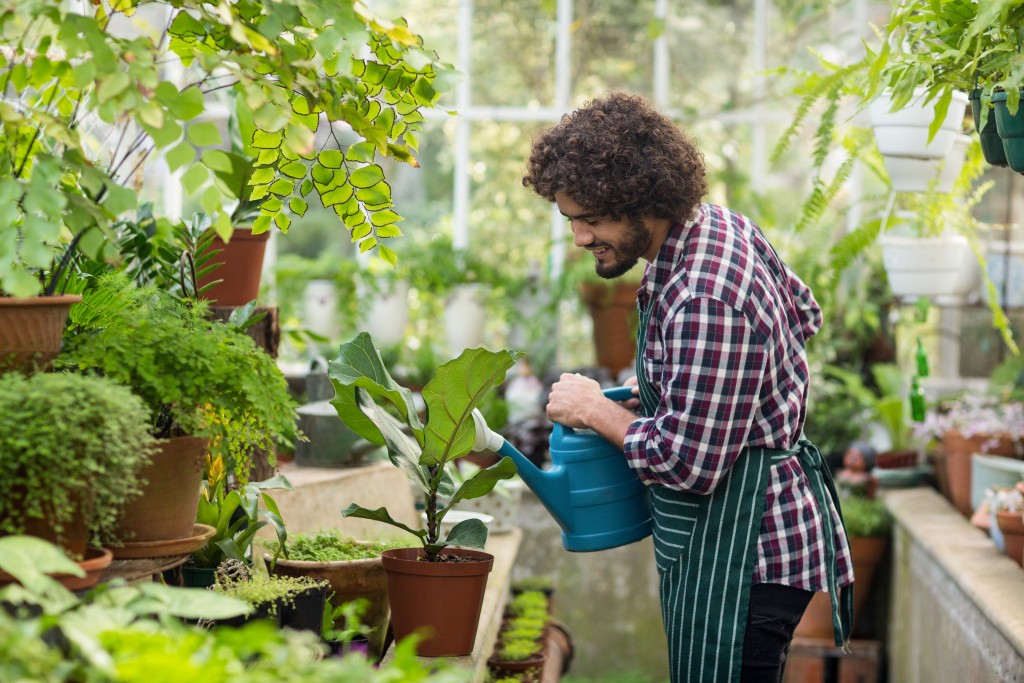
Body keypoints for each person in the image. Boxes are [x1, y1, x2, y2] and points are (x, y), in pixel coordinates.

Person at [522, 91, 854, 683]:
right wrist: (689, 389)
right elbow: (805, 314)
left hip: (745, 552)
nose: (578, 237)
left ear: (642, 200)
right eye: (570, 217)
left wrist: (598, 410)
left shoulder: (705, 292)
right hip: (736, 543)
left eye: (592, 219)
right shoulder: (716, 226)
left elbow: (689, 464)